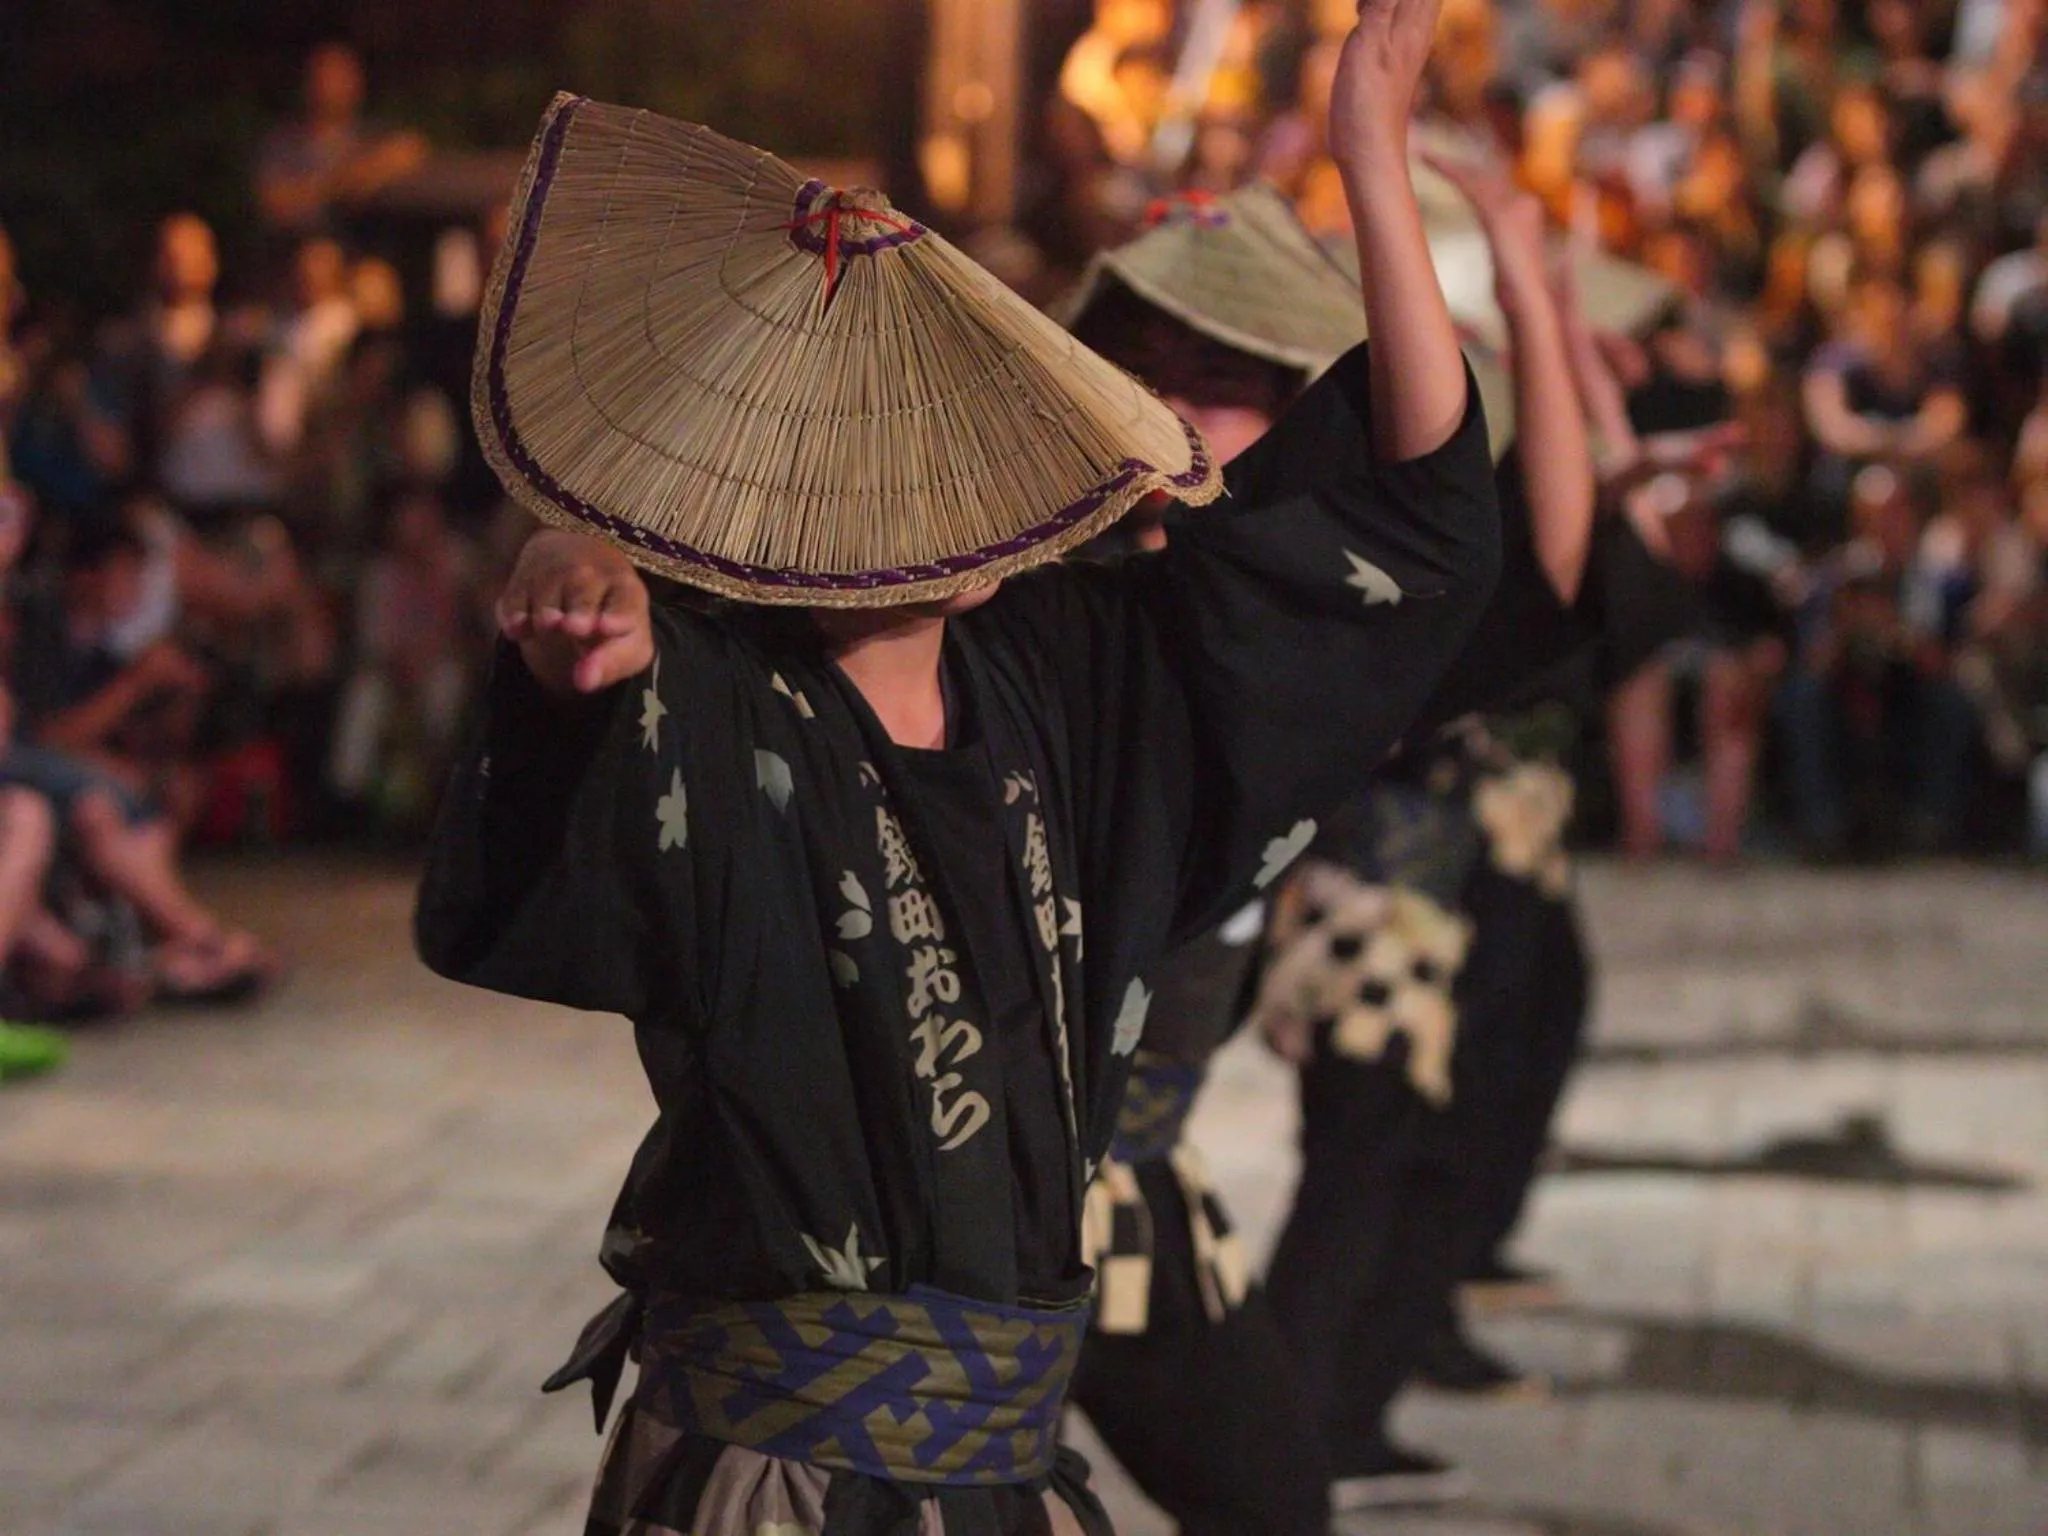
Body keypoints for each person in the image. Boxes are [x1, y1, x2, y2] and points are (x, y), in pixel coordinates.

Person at [416, 6, 1500, 1528]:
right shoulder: (725, 704)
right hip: (777, 1487)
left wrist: (1371, 160)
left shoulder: (1073, 670)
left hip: (997, 1475)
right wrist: (567, 596)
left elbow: (1413, 508)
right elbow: (581, 729)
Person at [254, 42, 428, 241]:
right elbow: (276, 205)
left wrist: (368, 171)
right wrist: (347, 179)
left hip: (363, 239)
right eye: (326, 75)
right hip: (299, 242)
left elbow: (412, 149)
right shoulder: (283, 142)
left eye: (344, 76)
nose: (335, 85)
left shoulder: (373, 133)